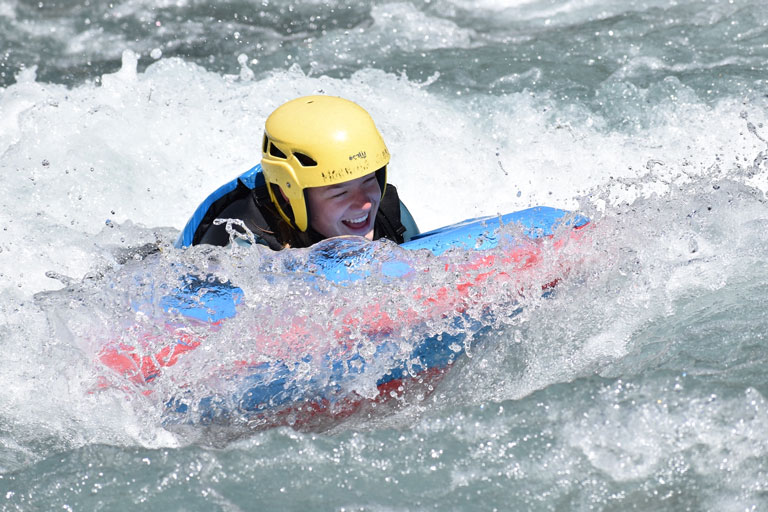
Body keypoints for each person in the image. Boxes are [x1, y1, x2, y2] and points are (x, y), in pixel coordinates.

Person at [186, 95, 419, 250]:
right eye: (340, 193)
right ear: (289, 195)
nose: (365, 204)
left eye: (368, 181)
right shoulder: (242, 239)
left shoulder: (388, 213)